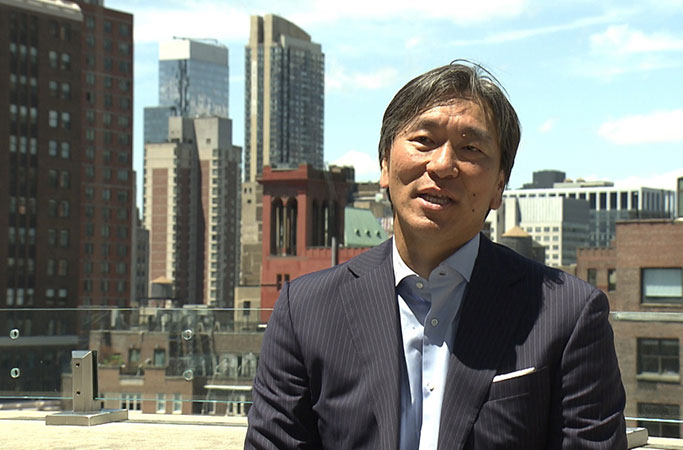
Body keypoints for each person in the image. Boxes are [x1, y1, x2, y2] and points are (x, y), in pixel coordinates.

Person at [245, 62, 627, 449]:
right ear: (384, 165)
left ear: (499, 186)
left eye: (471, 148)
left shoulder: (568, 314)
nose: (442, 165)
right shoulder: (305, 311)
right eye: (424, 140)